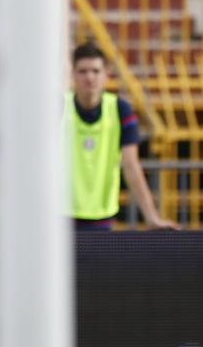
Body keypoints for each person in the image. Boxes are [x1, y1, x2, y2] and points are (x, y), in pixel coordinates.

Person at [66, 41, 178, 231]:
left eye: (95, 71)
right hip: (62, 216)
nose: (89, 77)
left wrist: (152, 218)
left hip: (102, 216)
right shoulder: (59, 107)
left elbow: (131, 165)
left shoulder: (120, 110)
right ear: (73, 75)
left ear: (105, 75)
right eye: (83, 71)